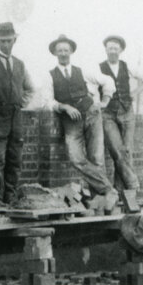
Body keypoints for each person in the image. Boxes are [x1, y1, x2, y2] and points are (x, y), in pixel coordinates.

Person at [42, 34, 119, 212]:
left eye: (66, 50)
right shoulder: (49, 76)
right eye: (60, 50)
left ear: (71, 52)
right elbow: (47, 101)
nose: (63, 53)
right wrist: (64, 107)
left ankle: (101, 203)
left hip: (92, 115)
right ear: (55, 53)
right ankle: (110, 190)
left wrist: (104, 102)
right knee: (76, 158)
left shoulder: (82, 71)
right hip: (71, 122)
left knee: (97, 159)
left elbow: (108, 80)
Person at [0, 22, 35, 205]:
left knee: (15, 158)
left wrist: (19, 103)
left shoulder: (20, 64)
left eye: (8, 41)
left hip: (15, 118)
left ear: (14, 41)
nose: (5, 44)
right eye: (2, 41)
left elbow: (30, 89)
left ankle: (10, 197)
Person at [99, 35, 143, 196]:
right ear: (106, 50)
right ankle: (133, 184)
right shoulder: (99, 68)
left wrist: (135, 92)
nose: (113, 51)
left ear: (120, 50)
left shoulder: (127, 66)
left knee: (126, 151)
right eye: (110, 48)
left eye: (116, 48)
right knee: (117, 151)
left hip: (127, 112)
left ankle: (121, 193)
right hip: (108, 114)